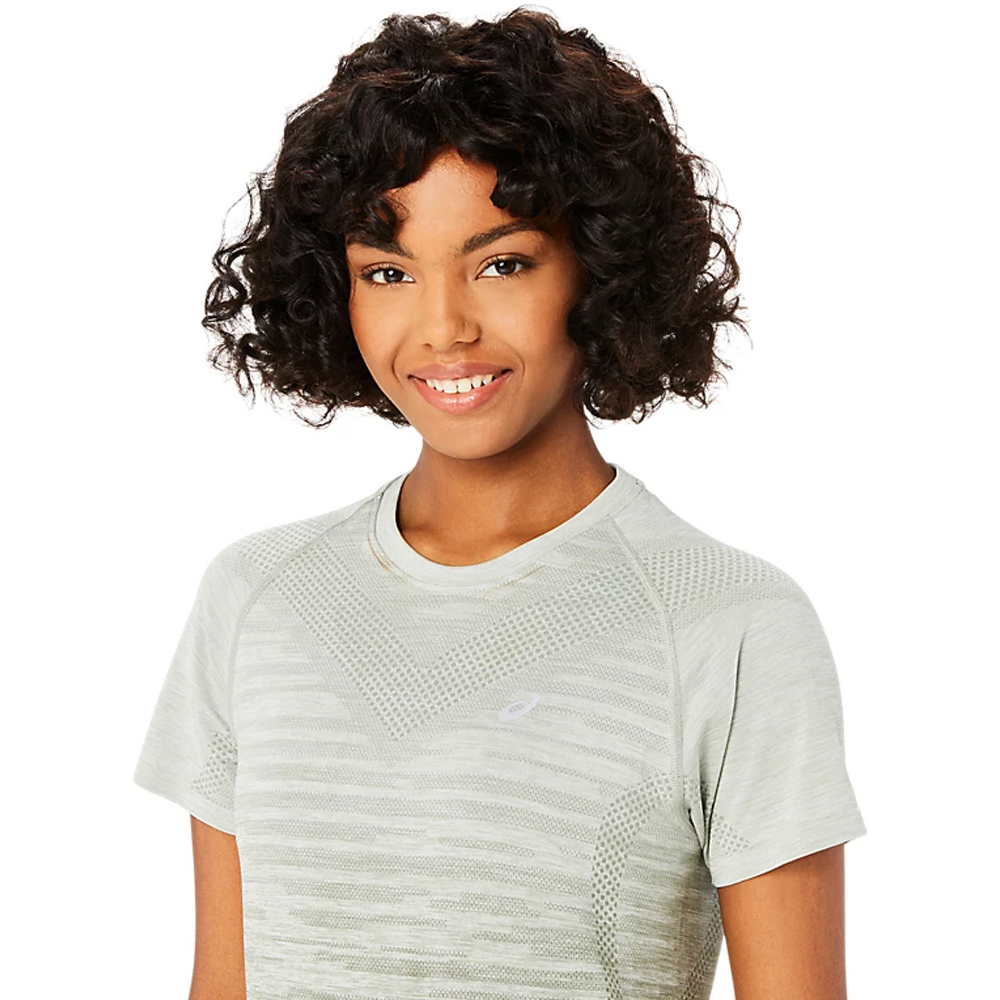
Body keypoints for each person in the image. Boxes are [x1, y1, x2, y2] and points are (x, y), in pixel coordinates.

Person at [133, 8, 867, 999]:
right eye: (387, 272)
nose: (443, 327)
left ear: (599, 268)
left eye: (502, 263)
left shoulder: (727, 624)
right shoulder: (256, 597)